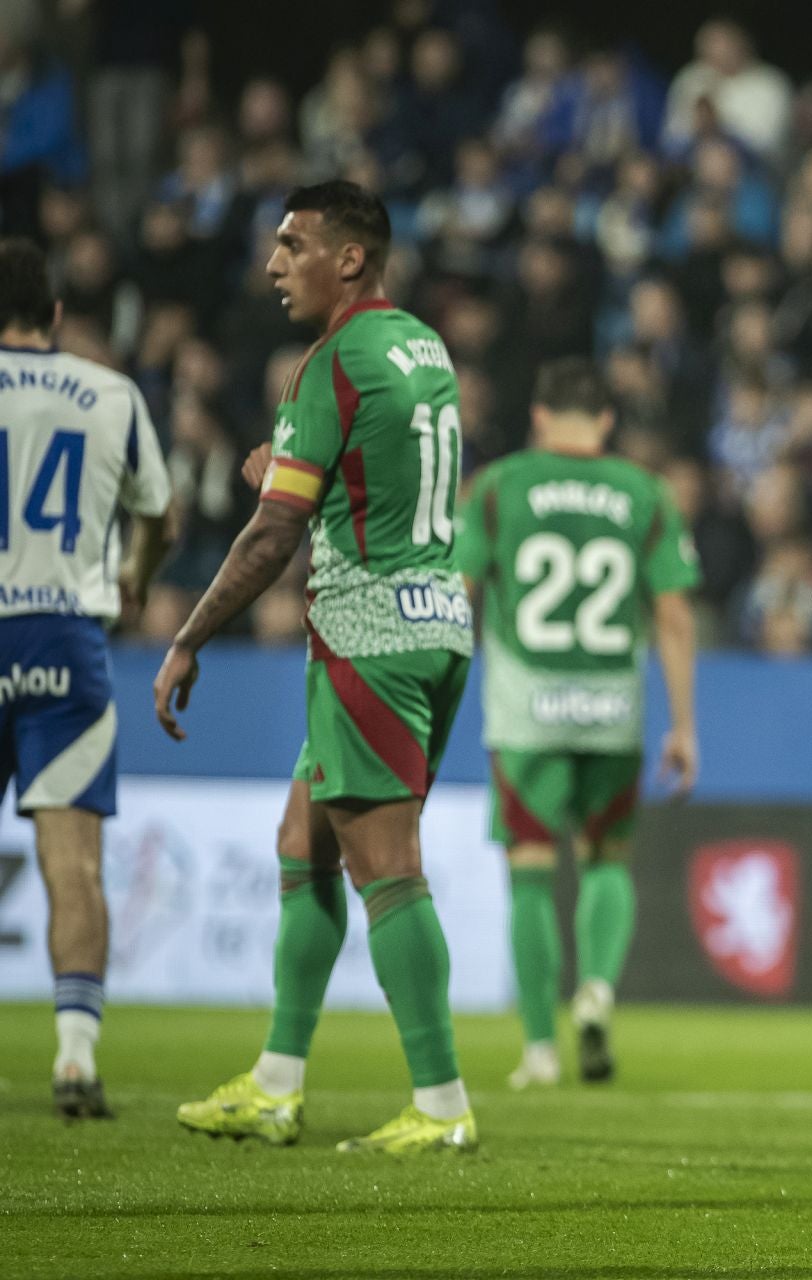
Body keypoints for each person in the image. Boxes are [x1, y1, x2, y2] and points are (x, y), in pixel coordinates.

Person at [162, 181, 481, 1155]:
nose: (273, 264)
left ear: (350, 258)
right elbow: (362, 478)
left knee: (389, 867)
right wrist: (294, 479)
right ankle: (276, 1082)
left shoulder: (332, 360)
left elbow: (270, 540)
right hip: (434, 619)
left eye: (293, 243)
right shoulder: (422, 346)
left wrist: (188, 634)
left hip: (367, 635)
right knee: (304, 842)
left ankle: (442, 1100)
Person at [453, 356, 700, 1089]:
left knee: (530, 872)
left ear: (537, 416)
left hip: (526, 708)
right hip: (611, 707)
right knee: (606, 858)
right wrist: (683, 725)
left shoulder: (496, 488)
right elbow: (676, 615)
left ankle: (537, 1050)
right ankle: (595, 989)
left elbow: (458, 593)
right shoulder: (644, 492)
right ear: (606, 421)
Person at [0, 237, 172, 1118]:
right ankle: (74, 1059)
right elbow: (161, 512)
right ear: (56, 316)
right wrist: (136, 574)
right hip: (64, 636)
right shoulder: (110, 393)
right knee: (73, 862)